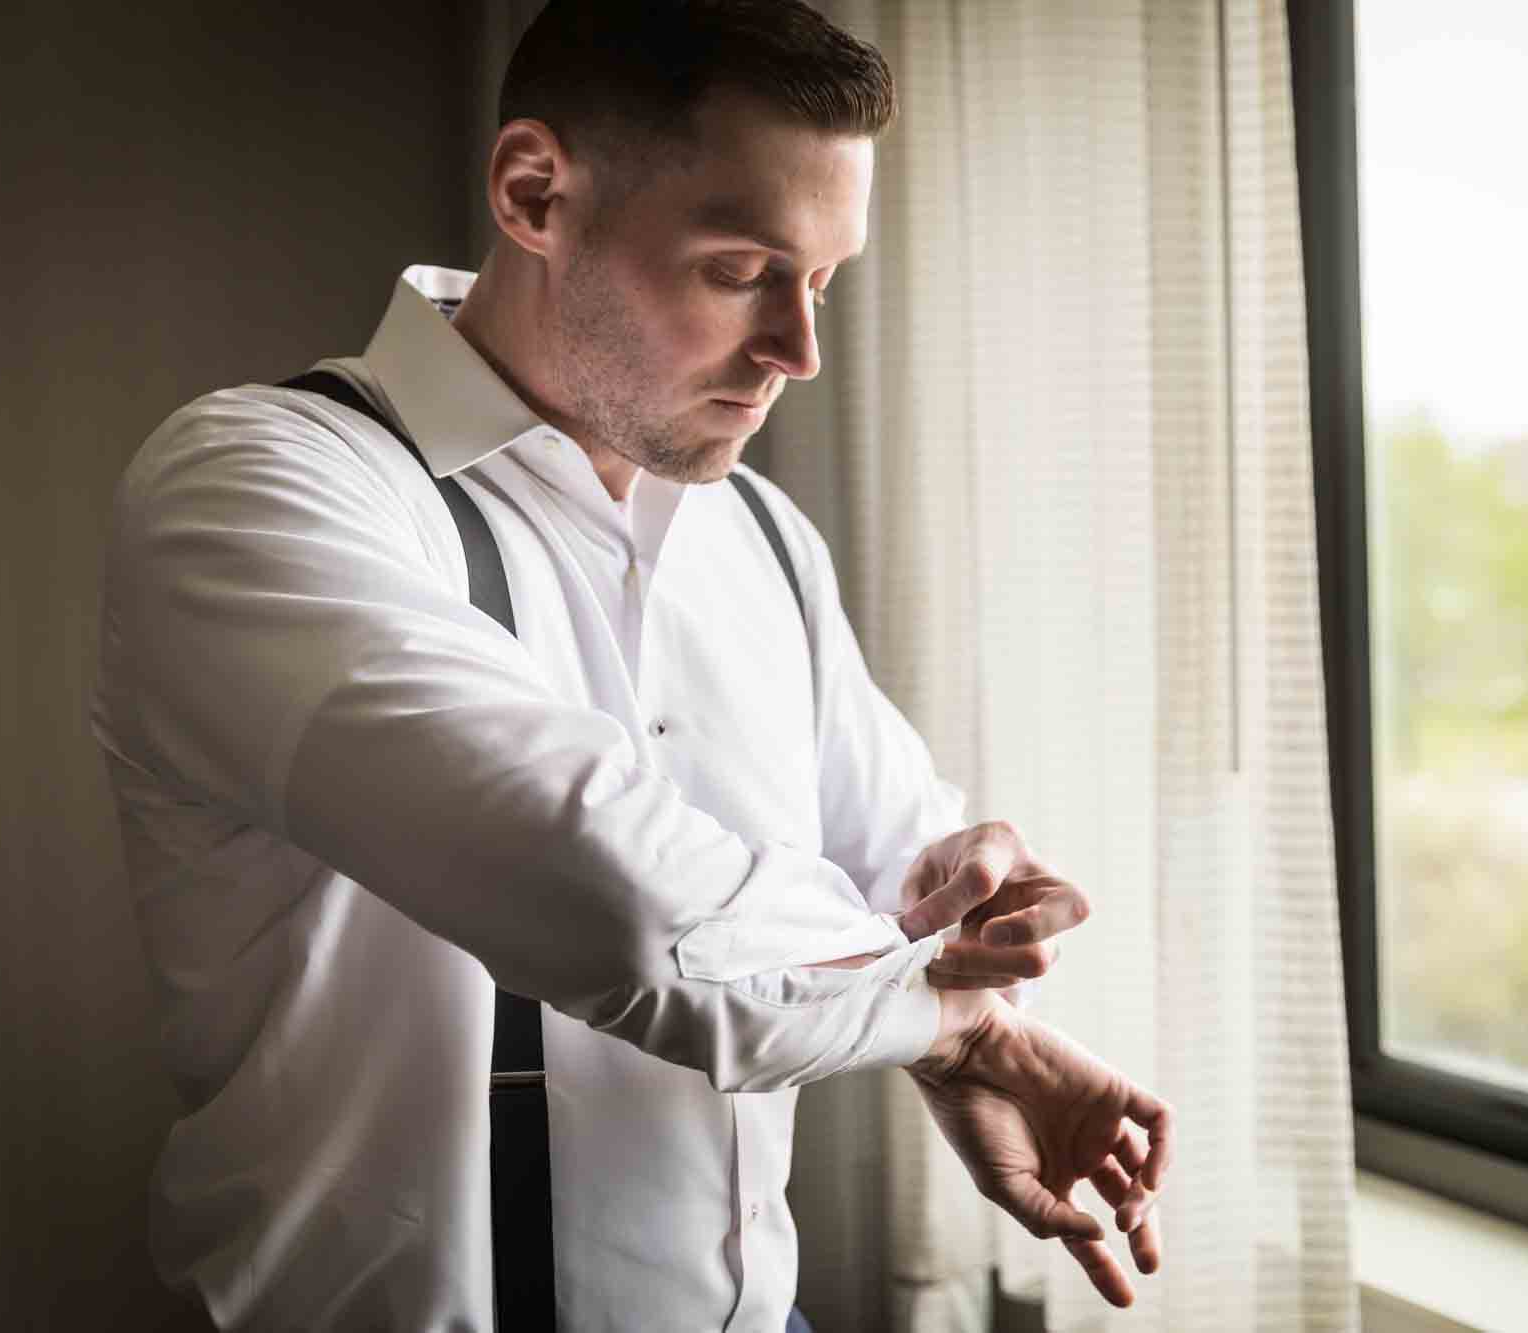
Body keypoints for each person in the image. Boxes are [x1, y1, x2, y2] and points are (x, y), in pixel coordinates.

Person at [89, 2, 1169, 1328]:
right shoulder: (256, 490)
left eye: (822, 281)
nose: (799, 353)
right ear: (535, 192)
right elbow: (625, 908)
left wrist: (970, 951)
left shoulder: (763, 534)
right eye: (742, 269)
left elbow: (900, 879)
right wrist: (937, 1014)